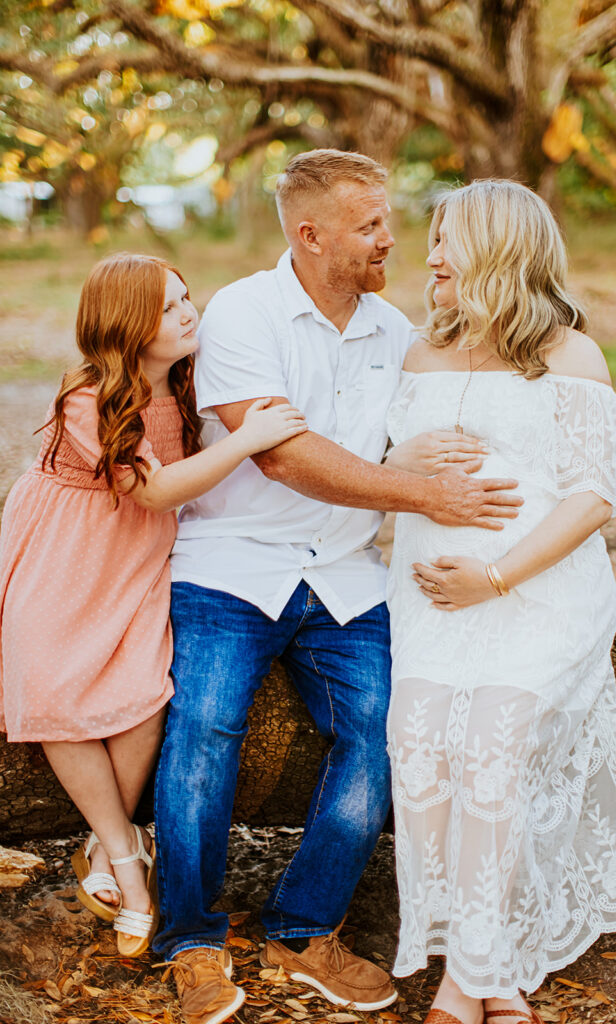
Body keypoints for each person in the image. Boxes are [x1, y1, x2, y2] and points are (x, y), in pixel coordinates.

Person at [152, 149, 524, 1024]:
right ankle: (192, 939)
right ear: (309, 234)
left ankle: (303, 926)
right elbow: (283, 457)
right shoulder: (243, 313)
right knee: (204, 725)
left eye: (385, 221)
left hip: (349, 579)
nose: (388, 239)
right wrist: (423, 490)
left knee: (391, 730)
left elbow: (442, 420)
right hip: (231, 563)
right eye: (368, 226)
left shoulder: (395, 332)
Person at [0, 252, 306, 959]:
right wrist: (251, 441)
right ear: (127, 326)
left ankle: (109, 844)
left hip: (137, 552)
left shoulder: (193, 386)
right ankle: (127, 861)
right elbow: (156, 489)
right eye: (168, 307)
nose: (188, 312)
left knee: (145, 691)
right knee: (51, 684)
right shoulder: (88, 397)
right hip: (68, 546)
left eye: (186, 297)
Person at [384, 179, 616, 1024]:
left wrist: (493, 578)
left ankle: (470, 976)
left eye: (447, 241)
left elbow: (593, 496)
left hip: (538, 599)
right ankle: (487, 967)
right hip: (430, 607)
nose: (429, 258)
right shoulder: (420, 351)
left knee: (493, 741)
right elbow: (383, 472)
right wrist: (404, 451)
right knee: (418, 744)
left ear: (498, 248)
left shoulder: (568, 355)